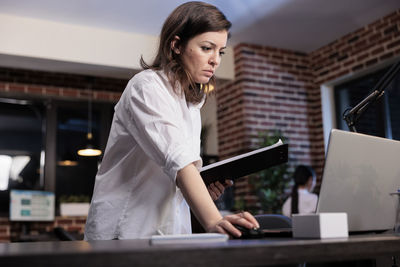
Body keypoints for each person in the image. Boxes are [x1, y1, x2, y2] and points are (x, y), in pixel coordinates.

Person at [84, 1, 259, 240]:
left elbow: (177, 174)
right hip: (123, 231)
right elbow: (178, 160)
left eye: (220, 51)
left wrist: (202, 190)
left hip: (168, 234)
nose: (215, 60)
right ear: (176, 45)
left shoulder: (191, 104)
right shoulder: (146, 86)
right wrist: (214, 219)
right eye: (207, 48)